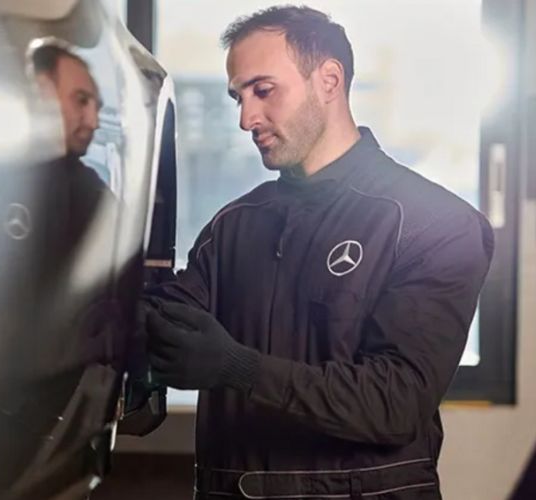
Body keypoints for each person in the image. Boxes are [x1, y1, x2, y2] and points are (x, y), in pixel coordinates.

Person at [142, 6, 494, 499]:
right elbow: (165, 326)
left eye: (264, 90)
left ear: (329, 80)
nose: (246, 119)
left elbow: (395, 404)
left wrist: (237, 367)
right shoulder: (233, 226)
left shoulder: (433, 223)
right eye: (238, 97)